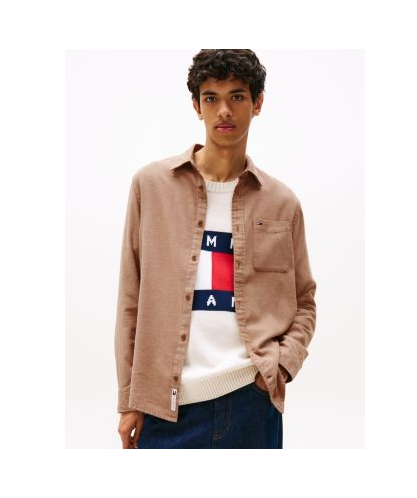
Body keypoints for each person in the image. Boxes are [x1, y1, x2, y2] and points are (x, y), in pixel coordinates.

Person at [115, 49, 316, 449]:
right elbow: (130, 299)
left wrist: (279, 368)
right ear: (196, 106)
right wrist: (128, 400)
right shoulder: (151, 187)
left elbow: (304, 301)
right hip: (164, 408)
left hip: (251, 403)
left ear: (257, 103)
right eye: (211, 98)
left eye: (237, 96)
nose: (224, 110)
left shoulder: (282, 203)